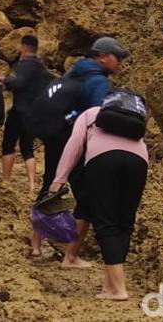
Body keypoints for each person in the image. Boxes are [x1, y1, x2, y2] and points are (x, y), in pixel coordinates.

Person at [49, 96, 148, 301]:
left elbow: (74, 145)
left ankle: (118, 290)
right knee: (124, 224)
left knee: (106, 223)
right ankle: (110, 285)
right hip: (139, 161)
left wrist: (59, 179)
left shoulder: (90, 114)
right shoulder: (132, 116)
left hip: (103, 160)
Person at [52, 36, 131, 270]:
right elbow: (98, 117)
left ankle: (41, 244)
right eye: (118, 59)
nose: (120, 64)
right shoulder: (98, 82)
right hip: (82, 144)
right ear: (104, 57)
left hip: (60, 138)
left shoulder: (74, 72)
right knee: (87, 202)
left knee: (59, 189)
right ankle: (71, 256)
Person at [0, 35, 49, 194]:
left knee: (8, 145)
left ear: (23, 48)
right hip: (35, 114)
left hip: (19, 111)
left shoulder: (24, 65)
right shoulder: (42, 68)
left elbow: (17, 83)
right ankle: (31, 185)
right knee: (27, 147)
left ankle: (6, 181)